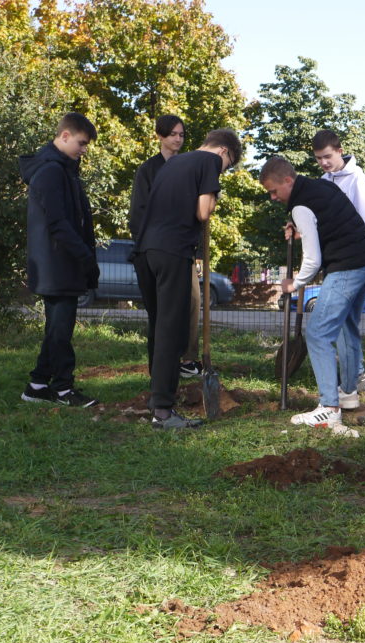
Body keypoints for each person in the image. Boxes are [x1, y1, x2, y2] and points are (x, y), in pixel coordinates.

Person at [132, 128, 242, 429]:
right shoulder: (208, 163)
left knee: (160, 325)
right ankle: (164, 413)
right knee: (173, 331)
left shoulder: (174, 163)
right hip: (172, 251)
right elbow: (203, 211)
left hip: (145, 251)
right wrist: (214, 193)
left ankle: (158, 400)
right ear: (224, 151)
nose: (224, 170)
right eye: (228, 165)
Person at [259, 156, 365, 429]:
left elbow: (312, 260)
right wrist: (303, 229)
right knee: (347, 328)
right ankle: (347, 394)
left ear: (288, 180)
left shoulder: (301, 205)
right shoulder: (322, 187)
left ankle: (328, 407)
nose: (273, 197)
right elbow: (332, 222)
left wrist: (295, 283)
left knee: (318, 333)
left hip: (347, 268)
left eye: (274, 191)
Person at [18, 112, 100, 407]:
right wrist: (85, 257)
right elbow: (58, 224)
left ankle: (38, 385)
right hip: (57, 264)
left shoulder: (63, 169)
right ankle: (64, 390)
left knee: (57, 327)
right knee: (61, 330)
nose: (84, 149)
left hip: (60, 263)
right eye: (81, 143)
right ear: (64, 136)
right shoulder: (51, 171)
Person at [127, 114, 202, 378]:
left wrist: (198, 252)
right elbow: (138, 214)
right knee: (160, 314)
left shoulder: (188, 168)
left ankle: (188, 359)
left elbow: (198, 213)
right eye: (173, 134)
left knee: (192, 301)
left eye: (181, 134)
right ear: (160, 136)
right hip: (155, 252)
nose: (178, 139)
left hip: (184, 250)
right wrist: (145, 248)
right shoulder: (148, 170)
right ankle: (159, 369)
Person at [313, 129, 365, 392]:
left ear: (339, 150)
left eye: (327, 156)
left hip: (356, 261)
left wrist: (358, 261)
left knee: (341, 320)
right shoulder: (323, 181)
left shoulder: (358, 181)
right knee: (346, 321)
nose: (324, 163)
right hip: (336, 260)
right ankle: (356, 378)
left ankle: (355, 378)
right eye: (318, 159)